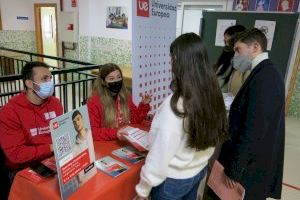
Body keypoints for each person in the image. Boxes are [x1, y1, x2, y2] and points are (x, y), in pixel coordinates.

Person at [133, 33, 229, 200]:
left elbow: (159, 155)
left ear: (179, 61)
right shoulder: (213, 95)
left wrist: (143, 190)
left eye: (172, 58)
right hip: (198, 171)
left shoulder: (175, 105)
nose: (170, 63)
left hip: (172, 182)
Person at [211, 28, 285, 199]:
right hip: (250, 162)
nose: (235, 55)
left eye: (238, 50)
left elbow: (254, 130)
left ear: (255, 47)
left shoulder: (265, 78)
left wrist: (235, 169)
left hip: (249, 168)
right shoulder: (263, 73)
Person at [0, 61, 63, 183]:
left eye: (50, 78)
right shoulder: (10, 112)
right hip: (23, 168)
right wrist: (51, 147)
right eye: (44, 79)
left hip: (52, 159)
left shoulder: (55, 103)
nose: (50, 83)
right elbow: (16, 154)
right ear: (29, 83)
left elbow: (60, 132)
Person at [87, 63, 151, 141]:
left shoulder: (125, 95)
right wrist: (116, 133)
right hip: (106, 143)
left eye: (118, 77)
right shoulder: (94, 101)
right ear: (103, 82)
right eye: (111, 79)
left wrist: (144, 105)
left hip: (123, 141)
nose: (116, 81)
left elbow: (134, 119)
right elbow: (93, 132)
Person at [215, 25, 246, 92]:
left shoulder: (244, 65)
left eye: (230, 42)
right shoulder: (224, 58)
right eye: (225, 42)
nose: (227, 45)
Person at [72, 110, 96, 185]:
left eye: (78, 119)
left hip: (94, 176)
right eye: (74, 122)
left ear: (83, 119)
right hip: (83, 184)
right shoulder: (74, 149)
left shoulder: (91, 135)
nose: (77, 123)